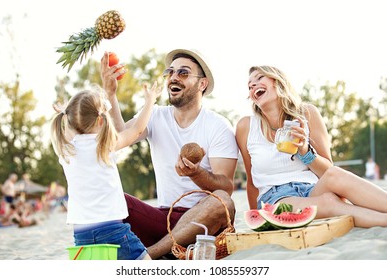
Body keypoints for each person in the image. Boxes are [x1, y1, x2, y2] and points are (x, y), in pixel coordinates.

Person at [101, 49, 239, 259]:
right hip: (164, 220)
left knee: (222, 201)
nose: (173, 77)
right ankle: (164, 251)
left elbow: (226, 187)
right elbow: (119, 137)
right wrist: (110, 94)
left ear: (202, 84)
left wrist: (196, 174)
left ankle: (149, 256)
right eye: (171, 72)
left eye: (183, 73)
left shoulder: (218, 126)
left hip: (203, 224)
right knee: (110, 198)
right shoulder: (155, 115)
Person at [236, 65, 387, 228]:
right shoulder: (246, 126)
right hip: (276, 199)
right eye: (249, 84)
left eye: (259, 78)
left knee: (335, 174)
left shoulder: (307, 114)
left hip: (313, 188)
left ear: (277, 82)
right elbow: (252, 183)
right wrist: (258, 219)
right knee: (329, 202)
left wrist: (305, 151)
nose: (252, 85)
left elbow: (327, 171)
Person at [50, 83, 161, 260]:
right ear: (101, 120)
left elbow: (71, 128)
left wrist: (67, 113)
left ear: (67, 119)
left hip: (81, 236)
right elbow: (137, 129)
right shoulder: (105, 145)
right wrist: (150, 101)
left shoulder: (65, 150)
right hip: (112, 231)